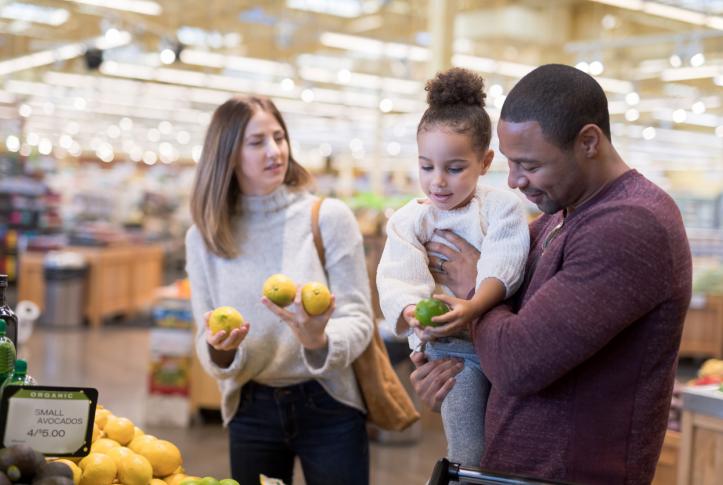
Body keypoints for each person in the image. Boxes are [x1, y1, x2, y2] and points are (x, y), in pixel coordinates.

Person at [412, 63, 692, 484]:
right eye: (508, 163)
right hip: (516, 470)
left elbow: (519, 362)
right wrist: (456, 374)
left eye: (529, 164)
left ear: (589, 142)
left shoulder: (630, 225)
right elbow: (505, 344)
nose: (513, 181)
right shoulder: (559, 216)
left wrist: (473, 286)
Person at [185, 95, 374, 485]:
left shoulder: (328, 218)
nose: (275, 151)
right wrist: (222, 351)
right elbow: (205, 337)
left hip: (329, 401)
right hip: (250, 408)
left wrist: (318, 338)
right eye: (257, 142)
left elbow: (359, 317)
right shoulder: (204, 237)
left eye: (279, 137)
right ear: (228, 154)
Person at [376, 67, 529, 471]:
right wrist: (410, 312)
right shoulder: (410, 219)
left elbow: (506, 262)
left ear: (485, 161)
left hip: (496, 340)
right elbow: (397, 276)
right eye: (427, 167)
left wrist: (475, 304)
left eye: (455, 168)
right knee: (468, 449)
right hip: (450, 352)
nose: (438, 182)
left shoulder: (501, 207)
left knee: (511, 443)